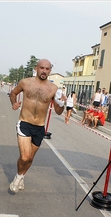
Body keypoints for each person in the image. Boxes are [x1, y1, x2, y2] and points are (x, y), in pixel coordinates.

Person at [9, 59, 66, 193]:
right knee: (24, 157)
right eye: (42, 68)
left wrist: (62, 104)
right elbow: (13, 93)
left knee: (30, 159)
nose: (44, 71)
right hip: (24, 123)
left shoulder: (53, 89)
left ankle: (21, 176)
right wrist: (14, 103)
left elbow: (58, 111)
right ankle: (18, 177)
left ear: (50, 71)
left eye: (47, 69)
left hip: (39, 127)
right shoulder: (25, 82)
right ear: (36, 68)